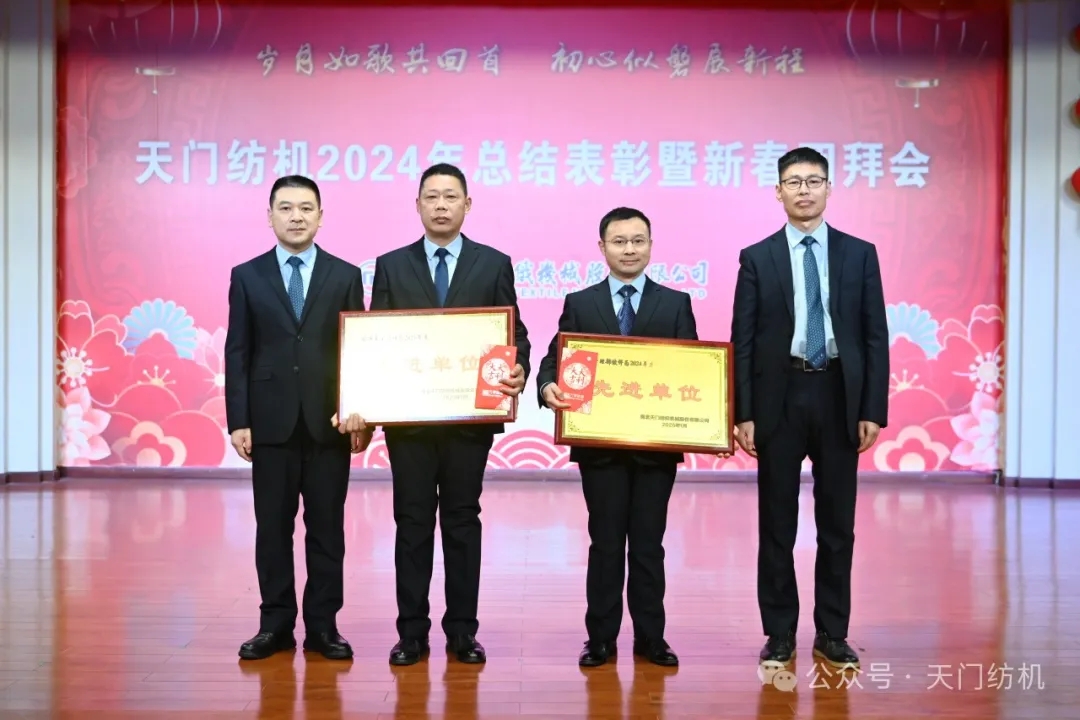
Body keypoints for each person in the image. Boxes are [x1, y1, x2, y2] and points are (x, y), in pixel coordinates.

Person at [338, 163, 531, 666]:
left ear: (468, 204)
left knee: (463, 522)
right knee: (413, 522)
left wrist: (519, 369)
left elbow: (515, 333)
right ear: (418, 205)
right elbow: (374, 340)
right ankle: (412, 633)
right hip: (411, 423)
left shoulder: (493, 264)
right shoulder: (392, 265)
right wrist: (366, 408)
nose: (441, 205)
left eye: (450, 196)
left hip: (469, 421)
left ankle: (463, 632)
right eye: (431, 197)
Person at [730, 147, 889, 669]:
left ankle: (832, 632)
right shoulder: (757, 257)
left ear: (828, 188)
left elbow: (875, 334)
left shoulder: (859, 254)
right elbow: (743, 339)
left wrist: (872, 407)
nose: (804, 190)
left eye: (813, 181)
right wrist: (744, 412)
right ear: (778, 191)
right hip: (779, 398)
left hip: (839, 394)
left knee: (837, 524)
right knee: (777, 522)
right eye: (794, 182)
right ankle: (779, 632)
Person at [536, 207, 696, 668]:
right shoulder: (581, 302)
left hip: (655, 449)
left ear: (651, 246)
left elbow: (695, 370)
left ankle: (652, 637)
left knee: (648, 544)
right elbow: (554, 361)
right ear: (602, 247)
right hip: (600, 447)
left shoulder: (675, 303)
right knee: (605, 544)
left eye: (638, 241)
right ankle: (600, 638)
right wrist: (548, 388)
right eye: (619, 241)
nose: (629, 249)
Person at [224, 175, 367, 661]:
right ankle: (275, 625)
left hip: (329, 422)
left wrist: (359, 413)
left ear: (321, 216)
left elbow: (357, 350)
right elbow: (238, 350)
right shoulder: (247, 275)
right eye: (285, 208)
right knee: (273, 528)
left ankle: (324, 627)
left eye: (306, 208)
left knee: (327, 530)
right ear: (270, 216)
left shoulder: (345, 275)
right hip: (270, 424)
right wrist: (239, 419)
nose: (296, 217)